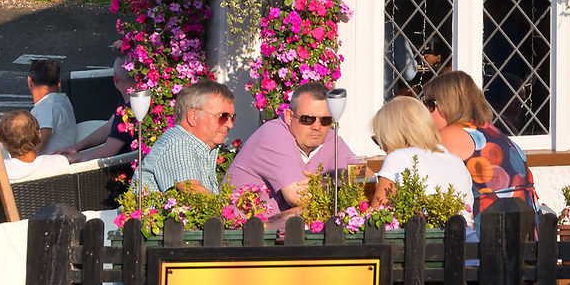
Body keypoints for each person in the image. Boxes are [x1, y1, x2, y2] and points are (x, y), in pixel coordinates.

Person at [226, 84, 363, 213]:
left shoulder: (330, 138)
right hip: (240, 232)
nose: (316, 126)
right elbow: (297, 197)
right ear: (289, 117)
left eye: (325, 120)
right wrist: (338, 185)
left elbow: (363, 178)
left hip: (288, 231)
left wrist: (324, 183)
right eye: (307, 119)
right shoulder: (273, 135)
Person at [423, 71, 535, 216]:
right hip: (525, 226)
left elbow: (421, 178)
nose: (425, 111)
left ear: (447, 104)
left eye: (430, 104)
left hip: (486, 229)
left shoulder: (451, 135)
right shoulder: (490, 131)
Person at [370, 96, 474, 219]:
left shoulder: (399, 157)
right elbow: (469, 218)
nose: (381, 147)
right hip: (466, 237)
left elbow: (377, 217)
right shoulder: (456, 161)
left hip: (424, 237)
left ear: (392, 134)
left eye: (380, 140)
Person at [134, 81, 235, 197]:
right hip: (147, 215)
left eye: (232, 118)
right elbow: (192, 190)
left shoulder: (201, 146)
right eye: (222, 117)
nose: (230, 124)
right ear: (193, 116)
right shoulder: (179, 143)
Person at [64, 64, 139, 163]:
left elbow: (108, 150)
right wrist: (76, 147)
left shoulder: (131, 109)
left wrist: (67, 159)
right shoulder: (131, 96)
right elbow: (108, 127)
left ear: (115, 77)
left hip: (121, 168)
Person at [0, 109, 70, 177]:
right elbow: (80, 159)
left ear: (3, 142)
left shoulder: (1, 170)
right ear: (39, 134)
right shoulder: (57, 162)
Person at [28, 58, 77, 155]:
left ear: (29, 81)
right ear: (59, 82)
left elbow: (36, 147)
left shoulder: (48, 107)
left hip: (43, 165)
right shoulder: (61, 100)